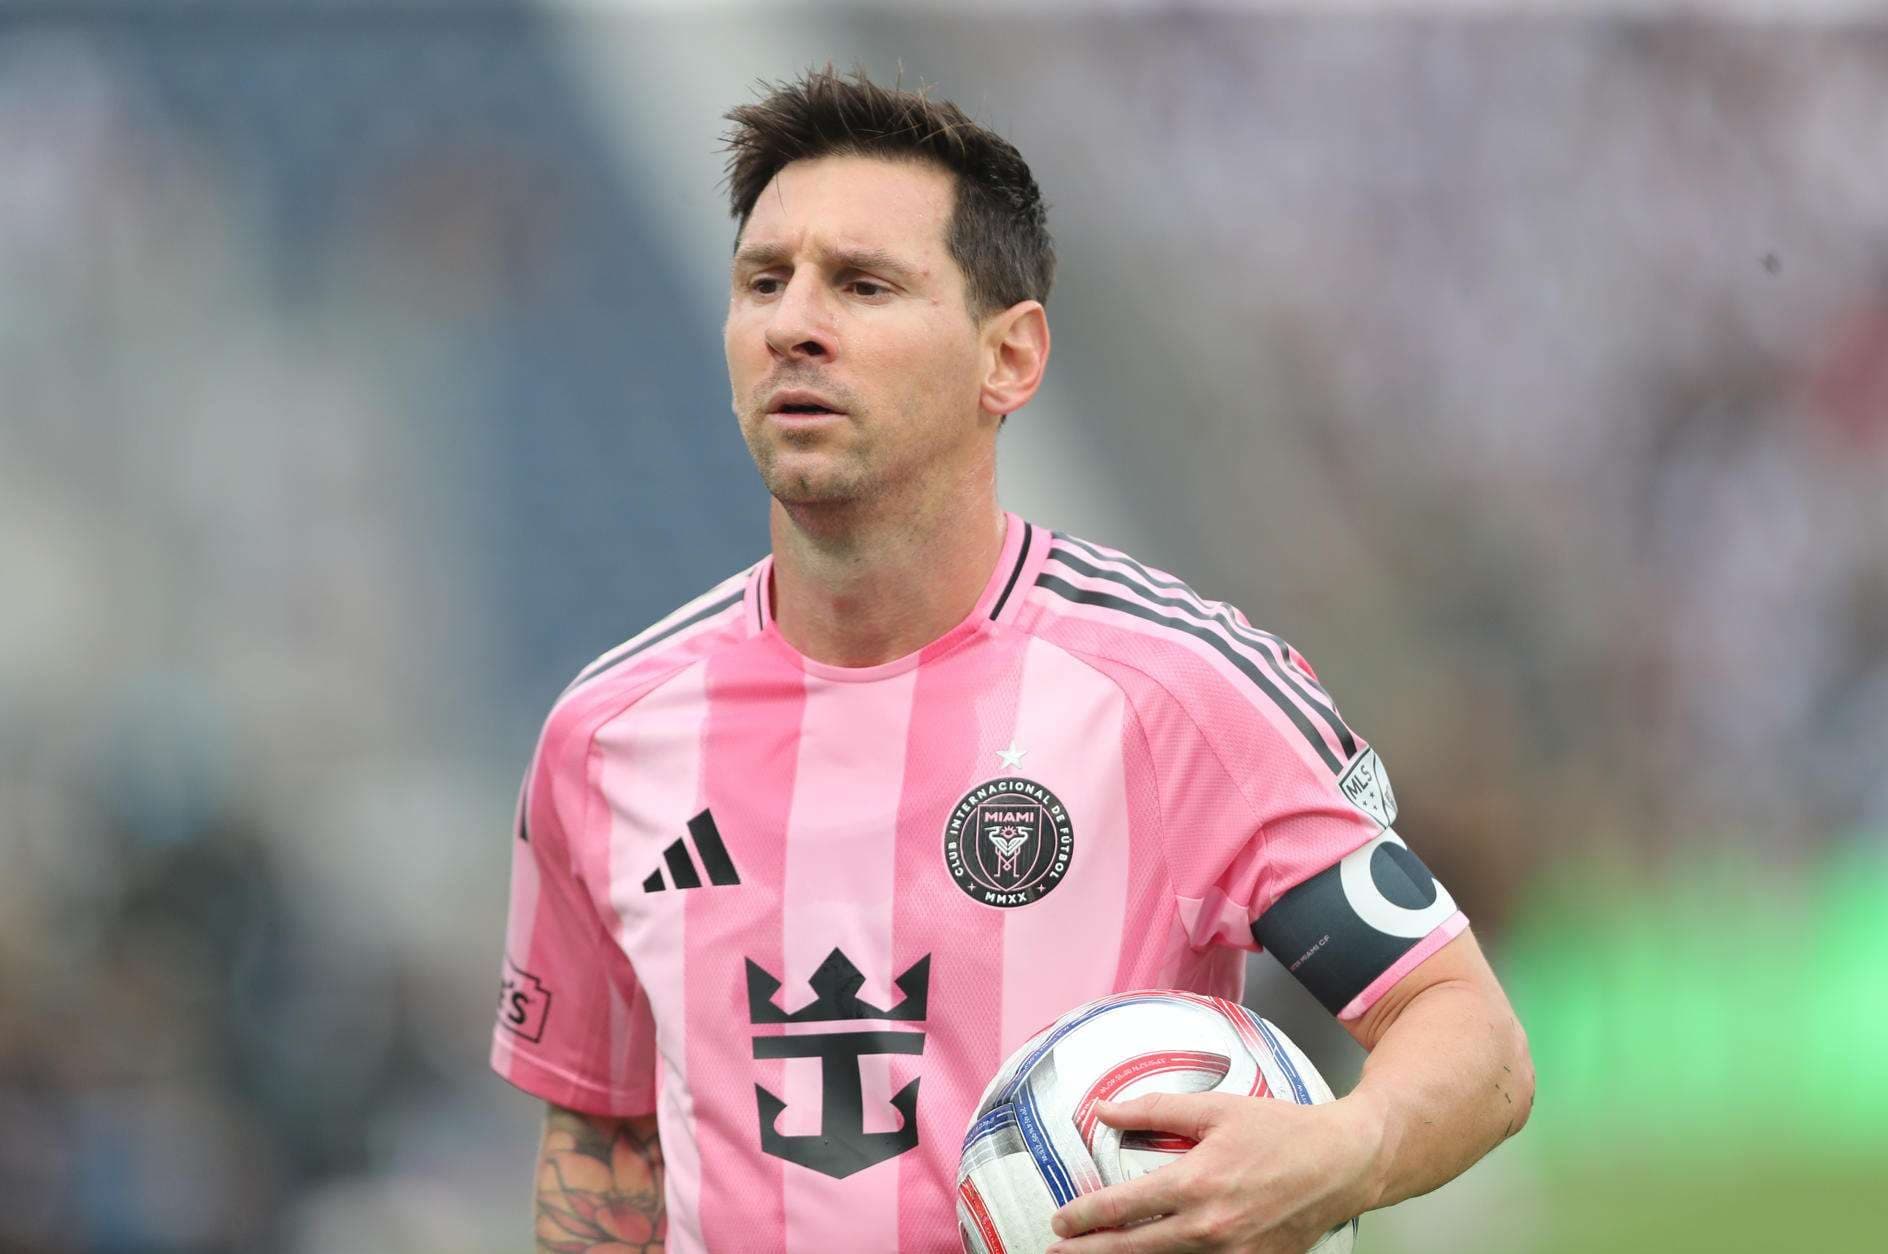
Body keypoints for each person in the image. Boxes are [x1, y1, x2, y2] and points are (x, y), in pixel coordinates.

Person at [492, 67, 1533, 1254]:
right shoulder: (606, 738)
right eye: (763, 281)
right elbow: (604, 1148)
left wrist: (1340, 1154)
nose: (794, 323)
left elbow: (1470, 1035)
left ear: (1011, 358)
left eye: (865, 284)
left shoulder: (1176, 693)